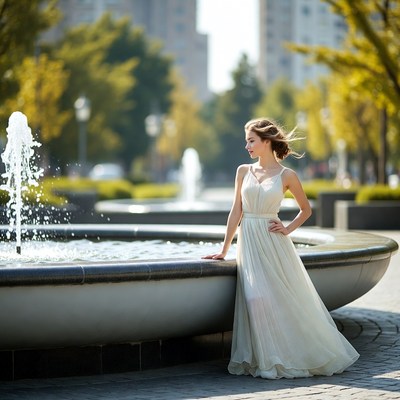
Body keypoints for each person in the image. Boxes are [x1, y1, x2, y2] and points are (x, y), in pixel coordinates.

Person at [202, 118, 359, 379]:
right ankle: (266, 358)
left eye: (251, 140)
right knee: (256, 300)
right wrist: (224, 249)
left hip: (274, 245)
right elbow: (236, 211)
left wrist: (288, 229)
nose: (247, 146)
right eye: (246, 141)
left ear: (266, 142)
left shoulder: (288, 175)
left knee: (281, 301)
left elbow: (306, 210)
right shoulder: (243, 171)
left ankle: (286, 357)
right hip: (249, 243)